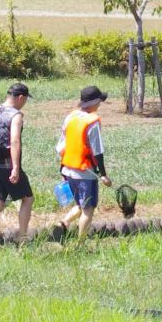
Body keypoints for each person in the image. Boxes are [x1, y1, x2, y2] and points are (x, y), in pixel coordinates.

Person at [0, 82, 34, 247]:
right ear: (20, 97)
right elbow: (15, 141)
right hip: (8, 165)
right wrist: (16, 167)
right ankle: (22, 238)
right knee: (28, 199)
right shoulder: (16, 115)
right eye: (25, 99)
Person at [56, 85, 112, 241]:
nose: (100, 105)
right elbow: (97, 151)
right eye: (99, 101)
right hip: (85, 172)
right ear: (94, 102)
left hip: (68, 169)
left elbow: (62, 146)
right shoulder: (92, 122)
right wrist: (103, 175)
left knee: (80, 204)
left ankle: (64, 223)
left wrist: (62, 170)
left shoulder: (70, 117)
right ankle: (80, 243)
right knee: (88, 209)